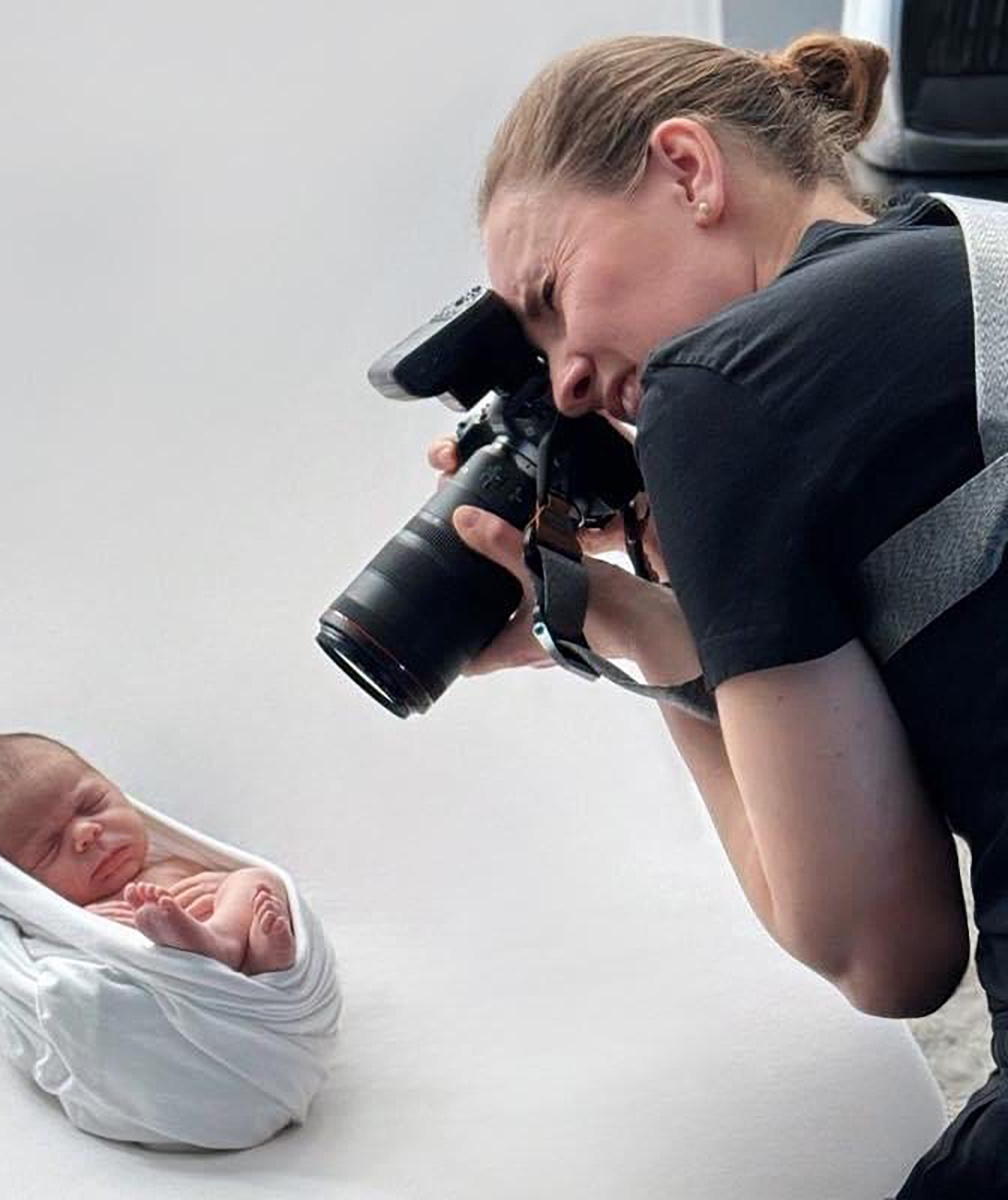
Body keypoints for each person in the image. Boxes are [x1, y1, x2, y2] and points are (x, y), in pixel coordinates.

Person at [427, 31, 1007, 1198]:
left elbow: (884, 951)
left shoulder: (720, 385)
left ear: (689, 169)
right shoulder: (974, 253)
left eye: (549, 302)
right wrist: (643, 605)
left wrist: (601, 624)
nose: (571, 381)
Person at [0, 732, 296, 975]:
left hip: (236, 959)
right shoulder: (66, 925)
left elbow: (242, 893)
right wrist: (96, 931)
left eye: (92, 804)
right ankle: (217, 950)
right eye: (48, 846)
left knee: (257, 879)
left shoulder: (178, 866)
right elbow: (70, 984)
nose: (85, 834)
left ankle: (239, 948)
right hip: (179, 998)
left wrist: (222, 888)